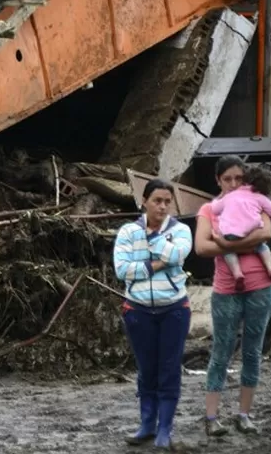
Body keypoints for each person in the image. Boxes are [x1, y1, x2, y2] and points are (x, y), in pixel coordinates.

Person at [194, 155, 271, 437]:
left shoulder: (255, 197)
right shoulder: (209, 209)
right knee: (222, 351)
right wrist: (245, 243)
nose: (233, 183)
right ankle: (211, 417)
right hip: (227, 289)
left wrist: (229, 241)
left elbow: (266, 232)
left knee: (253, 351)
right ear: (217, 180)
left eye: (238, 178)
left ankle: (244, 414)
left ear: (246, 179)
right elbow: (201, 248)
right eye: (227, 178)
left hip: (262, 286)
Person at [113, 178, 193, 450]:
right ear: (144, 201)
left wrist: (151, 239)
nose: (162, 207)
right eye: (157, 201)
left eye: (167, 202)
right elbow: (122, 270)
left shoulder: (182, 230)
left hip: (174, 309)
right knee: (147, 370)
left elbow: (179, 254)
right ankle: (146, 425)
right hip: (138, 310)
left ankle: (165, 429)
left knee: (169, 369)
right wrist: (158, 262)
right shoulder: (126, 231)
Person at [209, 164, 271, 291]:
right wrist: (264, 211)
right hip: (249, 233)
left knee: (228, 251)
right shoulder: (260, 198)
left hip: (230, 235)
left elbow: (215, 209)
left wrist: (217, 200)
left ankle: (237, 273)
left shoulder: (231, 195)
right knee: (262, 247)